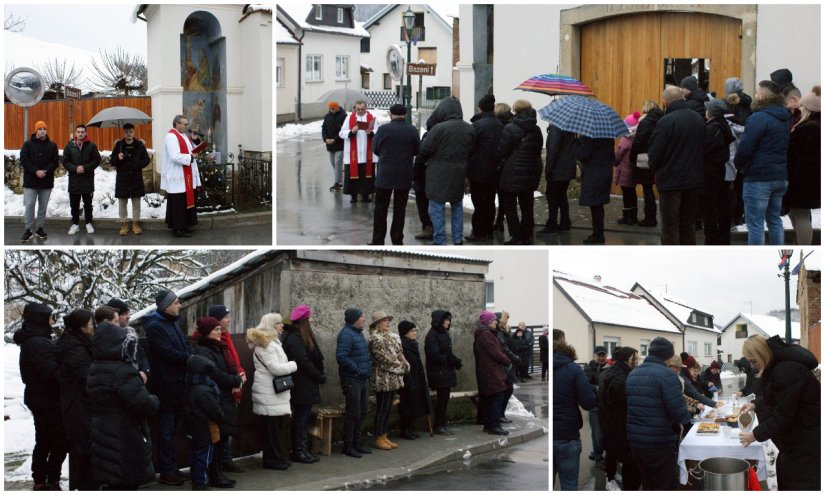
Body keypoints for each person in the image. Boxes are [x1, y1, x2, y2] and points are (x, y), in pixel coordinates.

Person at [738, 335, 820, 490]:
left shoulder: (786, 370)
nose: (753, 366)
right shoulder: (779, 367)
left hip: (806, 444)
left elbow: (784, 415)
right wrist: (755, 404)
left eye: (753, 361)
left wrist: (755, 434)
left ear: (761, 354)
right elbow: (779, 397)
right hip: (796, 444)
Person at [87, 319, 159, 490]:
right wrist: (154, 399)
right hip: (124, 436)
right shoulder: (122, 371)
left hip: (102, 432)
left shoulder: (96, 367)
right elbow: (145, 404)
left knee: (111, 479)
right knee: (125, 481)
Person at [625, 337, 690, 490]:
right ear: (668, 356)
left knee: (648, 484)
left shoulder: (633, 374)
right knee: (666, 485)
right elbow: (678, 413)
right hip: (659, 442)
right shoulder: (668, 375)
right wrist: (687, 419)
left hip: (636, 441)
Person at [15, 303, 67, 490]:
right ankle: (47, 480)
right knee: (53, 441)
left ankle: (44, 479)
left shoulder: (36, 340)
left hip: (42, 398)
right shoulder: (37, 342)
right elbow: (51, 373)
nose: (53, 321)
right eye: (50, 317)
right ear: (40, 319)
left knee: (46, 440)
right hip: (47, 400)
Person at [143, 289, 193, 486]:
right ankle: (166, 470)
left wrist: (189, 355)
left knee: (174, 430)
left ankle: (173, 468)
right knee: (165, 430)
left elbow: (184, 345)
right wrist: (189, 358)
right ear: (165, 306)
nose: (179, 305)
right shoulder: (156, 326)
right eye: (176, 303)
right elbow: (166, 352)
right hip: (166, 384)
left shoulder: (173, 322)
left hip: (179, 383)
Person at [734, 80, 791, 245]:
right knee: (774, 220)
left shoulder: (759, 118)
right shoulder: (784, 117)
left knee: (755, 224)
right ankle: (777, 256)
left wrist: (740, 165)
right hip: (779, 176)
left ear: (763, 96)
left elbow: (745, 148)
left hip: (758, 177)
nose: (755, 95)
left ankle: (756, 259)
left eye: (758, 92)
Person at [647, 85, 706, 244]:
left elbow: (655, 153)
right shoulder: (698, 118)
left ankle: (671, 257)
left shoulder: (666, 122)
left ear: (665, 101)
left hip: (671, 181)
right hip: (693, 180)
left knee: (670, 225)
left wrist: (654, 167)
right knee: (688, 224)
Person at [191, 316, 242, 487]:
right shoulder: (204, 350)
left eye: (220, 329)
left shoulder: (219, 347)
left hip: (224, 396)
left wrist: (236, 378)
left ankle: (218, 472)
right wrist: (234, 380)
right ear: (207, 332)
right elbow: (215, 374)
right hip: (216, 396)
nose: (220, 332)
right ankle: (213, 474)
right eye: (216, 330)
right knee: (216, 439)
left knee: (223, 438)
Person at [419, 96, 475, 245]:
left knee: (436, 209)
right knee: (457, 207)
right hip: (459, 173)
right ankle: (457, 238)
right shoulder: (469, 128)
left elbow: (424, 149)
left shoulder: (439, 128)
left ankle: (440, 239)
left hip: (438, 174)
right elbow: (471, 150)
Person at [246, 313, 298, 470]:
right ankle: (271, 460)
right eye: (279, 324)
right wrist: (293, 365)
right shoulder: (266, 344)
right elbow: (275, 368)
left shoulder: (272, 343)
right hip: (268, 393)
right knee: (271, 430)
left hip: (274, 392)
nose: (282, 326)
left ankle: (277, 457)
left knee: (276, 429)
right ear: (271, 326)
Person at [280, 305, 326, 464]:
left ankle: (302, 450)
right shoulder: (294, 338)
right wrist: (319, 376)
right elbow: (303, 362)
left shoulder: (300, 336)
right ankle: (299, 451)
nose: (312, 320)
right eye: (310, 318)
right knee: (300, 418)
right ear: (304, 320)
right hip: (301, 384)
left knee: (303, 417)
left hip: (306, 383)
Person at [553, 328, 597, 491]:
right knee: (569, 483)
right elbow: (588, 402)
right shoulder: (573, 369)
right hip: (567, 434)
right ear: (563, 342)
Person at [370, 104, 420, 245]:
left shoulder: (383, 129)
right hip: (404, 174)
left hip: (385, 174)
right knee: (400, 209)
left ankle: (378, 240)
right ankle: (397, 239)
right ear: (405, 115)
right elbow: (417, 150)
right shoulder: (412, 130)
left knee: (380, 209)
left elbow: (375, 148)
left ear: (390, 115)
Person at [56, 309, 95, 490]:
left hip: (78, 402)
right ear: (81, 326)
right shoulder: (75, 348)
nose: (93, 326)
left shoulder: (77, 343)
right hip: (77, 404)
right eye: (90, 323)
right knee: (82, 448)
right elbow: (86, 375)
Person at [496, 100, 544, 245]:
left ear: (515, 111)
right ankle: (527, 235)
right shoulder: (536, 130)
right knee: (527, 206)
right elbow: (538, 149)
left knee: (509, 206)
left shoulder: (510, 128)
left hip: (511, 173)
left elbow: (501, 151)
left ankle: (515, 235)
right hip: (530, 172)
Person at [206, 304, 247, 474]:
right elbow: (217, 369)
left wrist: (239, 374)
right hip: (220, 389)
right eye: (225, 317)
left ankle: (226, 459)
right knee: (220, 430)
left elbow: (232, 360)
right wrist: (234, 379)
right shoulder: (209, 344)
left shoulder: (226, 337)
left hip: (231, 385)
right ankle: (217, 466)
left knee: (227, 428)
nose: (229, 320)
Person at [598, 346, 641, 491]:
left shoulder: (610, 372)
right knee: (627, 457)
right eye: (635, 358)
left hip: (609, 421)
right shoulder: (623, 377)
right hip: (619, 423)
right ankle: (616, 481)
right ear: (628, 359)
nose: (637, 361)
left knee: (612, 452)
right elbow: (628, 401)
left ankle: (611, 478)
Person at [367, 310, 410, 449]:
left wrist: (405, 363)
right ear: (377, 324)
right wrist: (400, 366)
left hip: (393, 379)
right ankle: (378, 437)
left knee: (388, 408)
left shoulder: (393, 337)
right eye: (384, 321)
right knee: (382, 408)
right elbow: (382, 360)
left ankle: (384, 436)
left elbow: (399, 353)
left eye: (388, 320)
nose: (387, 322)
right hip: (382, 379)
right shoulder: (375, 339)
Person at [466, 94, 504, 242]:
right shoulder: (500, 124)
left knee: (479, 203)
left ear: (480, 108)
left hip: (478, 171)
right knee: (489, 201)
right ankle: (488, 229)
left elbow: (470, 147)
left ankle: (478, 231)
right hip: (494, 170)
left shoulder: (478, 125)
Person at [182, 354, 223, 490]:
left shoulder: (188, 385)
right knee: (204, 457)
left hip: (192, 426)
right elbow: (213, 410)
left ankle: (197, 479)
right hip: (205, 428)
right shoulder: (204, 389)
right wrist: (221, 417)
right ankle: (201, 483)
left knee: (195, 455)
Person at [785, 86, 820, 246]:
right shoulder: (816, 127)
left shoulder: (806, 129)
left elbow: (795, 156)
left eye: (803, 107)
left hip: (802, 179)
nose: (800, 109)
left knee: (800, 215)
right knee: (801, 215)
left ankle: (804, 248)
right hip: (811, 178)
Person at [336, 308, 373, 457]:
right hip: (352, 379)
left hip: (362, 379)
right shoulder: (346, 335)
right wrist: (357, 370)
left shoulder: (359, 333)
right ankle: (348, 446)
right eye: (361, 316)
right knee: (353, 413)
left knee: (363, 412)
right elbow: (341, 357)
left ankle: (358, 443)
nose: (364, 319)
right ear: (354, 319)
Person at [701, 99, 735, 245]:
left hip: (710, 174)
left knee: (709, 210)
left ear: (711, 112)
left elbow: (704, 150)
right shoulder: (723, 126)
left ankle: (712, 240)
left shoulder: (712, 129)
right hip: (720, 172)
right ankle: (722, 238)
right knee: (721, 208)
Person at [162, 114, 202, 238]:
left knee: (185, 202)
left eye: (186, 124)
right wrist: (190, 157)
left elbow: (192, 150)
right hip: (178, 176)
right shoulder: (171, 137)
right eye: (185, 124)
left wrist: (194, 140)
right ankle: (178, 229)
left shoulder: (183, 136)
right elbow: (175, 156)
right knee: (178, 204)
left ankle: (186, 225)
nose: (186, 126)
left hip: (187, 176)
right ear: (177, 124)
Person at [473, 311, 512, 435]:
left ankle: (489, 425)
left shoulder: (486, 334)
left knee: (492, 398)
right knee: (497, 396)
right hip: (491, 371)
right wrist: (507, 361)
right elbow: (496, 353)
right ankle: (494, 425)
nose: (496, 322)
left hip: (489, 371)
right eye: (493, 320)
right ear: (488, 322)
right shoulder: (486, 335)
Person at [425, 309, 463, 434]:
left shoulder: (444, 333)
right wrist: (450, 361)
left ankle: (442, 423)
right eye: (446, 320)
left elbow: (447, 352)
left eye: (448, 319)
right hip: (438, 373)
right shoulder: (432, 335)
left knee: (444, 399)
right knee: (441, 401)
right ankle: (438, 426)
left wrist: (456, 360)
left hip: (445, 372)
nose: (448, 322)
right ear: (440, 321)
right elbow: (435, 355)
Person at [20, 121, 59, 242]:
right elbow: (24, 160)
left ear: (46, 131)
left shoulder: (52, 145)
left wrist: (45, 171)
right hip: (30, 181)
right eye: (40, 129)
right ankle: (28, 230)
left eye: (44, 129)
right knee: (30, 205)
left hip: (46, 181)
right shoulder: (27, 145)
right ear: (36, 130)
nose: (42, 131)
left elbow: (55, 161)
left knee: (43, 207)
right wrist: (36, 171)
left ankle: (40, 228)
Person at [111, 123, 151, 236]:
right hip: (122, 179)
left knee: (136, 204)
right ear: (124, 133)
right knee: (122, 204)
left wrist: (138, 164)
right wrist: (117, 158)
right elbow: (112, 161)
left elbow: (147, 159)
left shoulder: (139, 145)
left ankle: (135, 223)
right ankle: (124, 223)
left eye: (130, 132)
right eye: (126, 132)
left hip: (135, 178)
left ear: (134, 132)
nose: (128, 134)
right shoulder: (119, 145)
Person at [629, 100, 664, 227]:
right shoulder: (663, 120)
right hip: (661, 158)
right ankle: (656, 217)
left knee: (647, 188)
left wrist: (632, 158)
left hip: (645, 159)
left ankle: (650, 218)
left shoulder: (645, 123)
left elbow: (638, 143)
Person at [539, 123, 578, 234]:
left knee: (552, 195)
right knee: (561, 195)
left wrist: (549, 168)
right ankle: (565, 222)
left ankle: (552, 224)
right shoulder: (570, 127)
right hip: (567, 166)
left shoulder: (557, 127)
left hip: (558, 168)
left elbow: (553, 149)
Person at [63, 124, 101, 235]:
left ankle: (88, 222)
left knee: (88, 204)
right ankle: (75, 224)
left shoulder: (91, 146)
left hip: (87, 180)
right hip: (74, 180)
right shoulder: (69, 146)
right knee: (74, 204)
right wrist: (75, 168)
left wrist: (85, 168)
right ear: (75, 133)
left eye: (82, 131)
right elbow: (65, 161)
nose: (80, 133)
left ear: (86, 133)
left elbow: (97, 160)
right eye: (78, 131)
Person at [577, 134, 615, 244]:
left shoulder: (589, 135)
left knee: (595, 205)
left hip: (594, 173)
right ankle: (598, 233)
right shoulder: (608, 135)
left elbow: (583, 155)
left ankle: (598, 235)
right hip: (605, 172)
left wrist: (577, 145)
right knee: (598, 205)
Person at [339, 100, 378, 203]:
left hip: (367, 154)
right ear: (355, 109)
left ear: (366, 108)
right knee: (353, 177)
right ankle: (354, 196)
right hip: (353, 154)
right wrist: (351, 131)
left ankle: (366, 195)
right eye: (358, 109)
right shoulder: (349, 118)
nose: (360, 111)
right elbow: (341, 133)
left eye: (362, 109)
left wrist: (371, 132)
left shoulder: (372, 118)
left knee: (366, 177)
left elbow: (378, 132)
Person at [397, 320, 430, 440]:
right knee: (406, 406)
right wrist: (409, 380)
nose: (414, 333)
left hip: (416, 378)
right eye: (412, 331)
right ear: (405, 332)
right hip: (408, 380)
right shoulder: (403, 345)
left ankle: (410, 429)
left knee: (413, 405)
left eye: (415, 330)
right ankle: (404, 430)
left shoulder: (412, 344)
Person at [106, 297, 150, 382]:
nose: (128, 317)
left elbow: (141, 353)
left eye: (128, 313)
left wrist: (145, 371)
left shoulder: (131, 333)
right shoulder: (109, 338)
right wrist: (137, 375)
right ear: (115, 316)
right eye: (124, 314)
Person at [411, 114, 436, 241]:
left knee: (423, 202)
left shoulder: (429, 136)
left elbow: (421, 157)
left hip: (425, 175)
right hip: (439, 175)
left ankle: (428, 227)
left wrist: (414, 175)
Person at [614, 112, 640, 225]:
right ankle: (633, 217)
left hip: (624, 170)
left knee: (626, 194)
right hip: (633, 169)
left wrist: (614, 161)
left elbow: (619, 154)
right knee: (632, 192)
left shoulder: (626, 139)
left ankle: (627, 217)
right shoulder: (637, 138)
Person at [492, 103, 514, 233]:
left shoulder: (499, 124)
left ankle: (499, 221)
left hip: (501, 164)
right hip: (508, 164)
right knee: (504, 196)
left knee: (501, 195)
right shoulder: (511, 122)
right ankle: (500, 220)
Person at [584, 346, 608, 463]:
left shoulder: (609, 368)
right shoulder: (588, 369)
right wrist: (596, 388)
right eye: (599, 355)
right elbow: (585, 385)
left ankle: (599, 453)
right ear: (594, 356)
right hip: (595, 406)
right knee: (597, 434)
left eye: (603, 355)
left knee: (607, 432)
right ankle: (598, 456)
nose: (602, 357)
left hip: (608, 406)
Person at [322, 101, 346, 191]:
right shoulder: (327, 117)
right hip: (330, 145)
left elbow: (343, 130)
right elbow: (324, 129)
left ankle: (337, 183)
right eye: (330, 108)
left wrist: (335, 139)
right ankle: (340, 179)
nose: (331, 110)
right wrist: (326, 139)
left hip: (339, 144)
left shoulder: (343, 116)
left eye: (333, 108)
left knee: (338, 162)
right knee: (333, 163)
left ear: (337, 108)